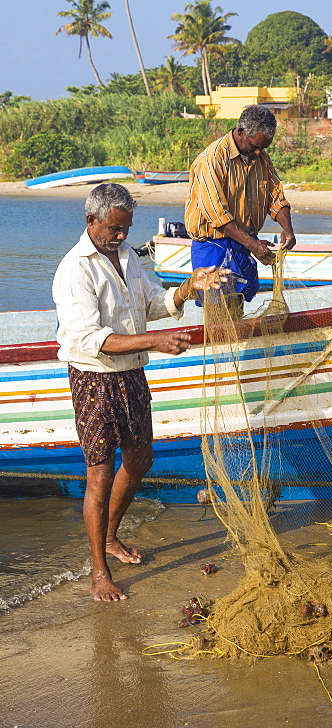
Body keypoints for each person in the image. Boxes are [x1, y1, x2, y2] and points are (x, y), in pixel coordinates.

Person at [52, 182, 232, 602]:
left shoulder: (128, 256)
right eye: (114, 228)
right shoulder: (76, 269)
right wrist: (154, 342)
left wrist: (190, 286)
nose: (120, 235)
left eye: (126, 228)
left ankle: (111, 536)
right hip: (95, 377)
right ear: (91, 221)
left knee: (140, 457)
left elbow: (151, 303)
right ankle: (100, 571)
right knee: (99, 473)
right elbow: (89, 339)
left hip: (131, 373)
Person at [185, 104, 296, 307]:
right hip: (213, 247)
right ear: (241, 132)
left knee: (236, 307)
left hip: (241, 243)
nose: (258, 152)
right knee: (217, 312)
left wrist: (287, 229)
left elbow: (276, 198)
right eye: (254, 146)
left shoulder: (261, 159)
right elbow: (218, 217)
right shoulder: (212, 160)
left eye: (263, 148)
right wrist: (254, 246)